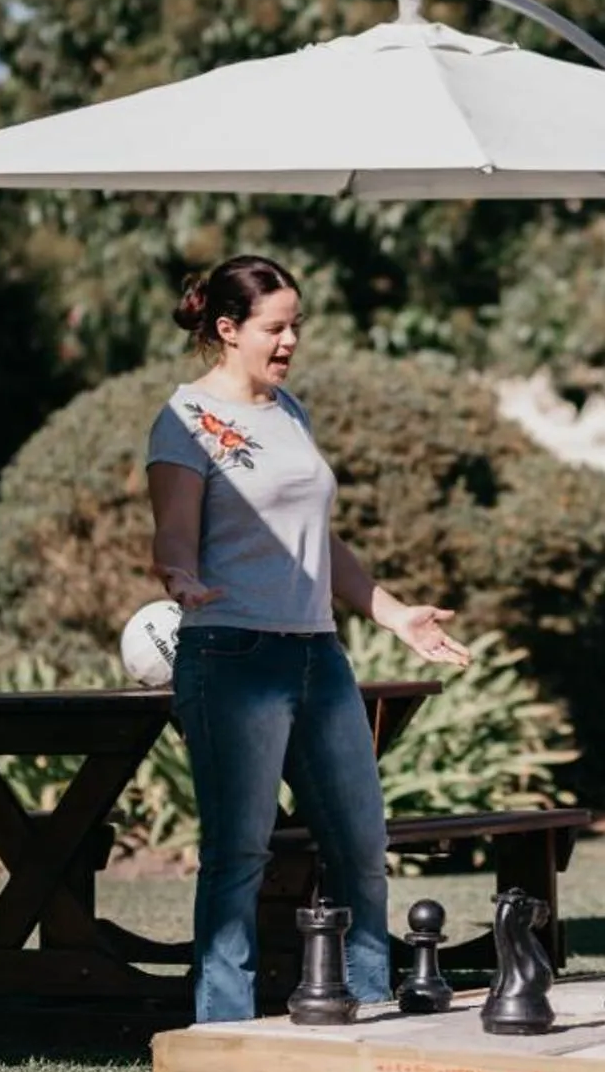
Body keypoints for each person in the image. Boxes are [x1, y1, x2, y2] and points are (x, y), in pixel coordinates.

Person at [146, 254, 470, 1023]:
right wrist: (181, 579)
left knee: (361, 843)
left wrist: (392, 613)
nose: (290, 339)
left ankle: (364, 1002)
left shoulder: (290, 411)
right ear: (227, 329)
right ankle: (224, 1024)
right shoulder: (185, 421)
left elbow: (318, 543)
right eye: (274, 327)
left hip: (317, 654)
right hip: (231, 653)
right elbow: (173, 538)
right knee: (240, 856)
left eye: (296, 324)